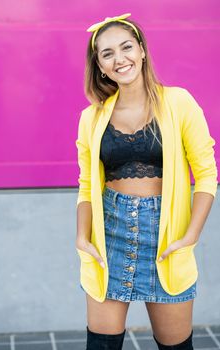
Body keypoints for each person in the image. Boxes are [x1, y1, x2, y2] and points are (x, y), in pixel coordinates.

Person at [75, 13, 218, 350]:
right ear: (99, 66)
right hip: (109, 237)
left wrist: (190, 237)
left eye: (126, 47)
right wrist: (82, 237)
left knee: (176, 347)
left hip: (166, 241)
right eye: (107, 53)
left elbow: (207, 174)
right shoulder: (90, 118)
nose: (119, 59)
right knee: (101, 346)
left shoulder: (179, 102)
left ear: (141, 50)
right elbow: (86, 185)